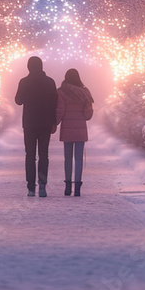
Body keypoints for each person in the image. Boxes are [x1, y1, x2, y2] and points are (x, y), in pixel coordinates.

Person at [15, 56, 57, 197]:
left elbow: (18, 101)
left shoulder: (24, 82)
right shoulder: (50, 82)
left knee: (30, 155)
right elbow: (54, 103)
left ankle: (31, 187)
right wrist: (54, 122)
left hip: (29, 123)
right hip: (45, 123)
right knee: (44, 155)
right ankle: (43, 185)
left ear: (28, 67)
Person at [55, 68, 93, 197]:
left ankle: (67, 187)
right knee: (78, 159)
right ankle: (77, 187)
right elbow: (88, 115)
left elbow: (60, 110)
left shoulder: (61, 92)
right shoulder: (85, 93)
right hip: (80, 129)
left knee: (68, 159)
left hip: (67, 128)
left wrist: (54, 123)